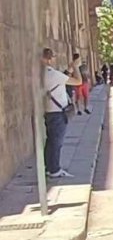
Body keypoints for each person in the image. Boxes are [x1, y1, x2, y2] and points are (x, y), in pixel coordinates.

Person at [40, 48, 69, 179]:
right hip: (57, 113)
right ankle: (55, 169)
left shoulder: (40, 74)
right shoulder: (53, 73)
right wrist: (76, 66)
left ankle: (48, 167)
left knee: (50, 141)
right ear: (49, 59)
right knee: (56, 142)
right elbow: (78, 81)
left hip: (48, 111)